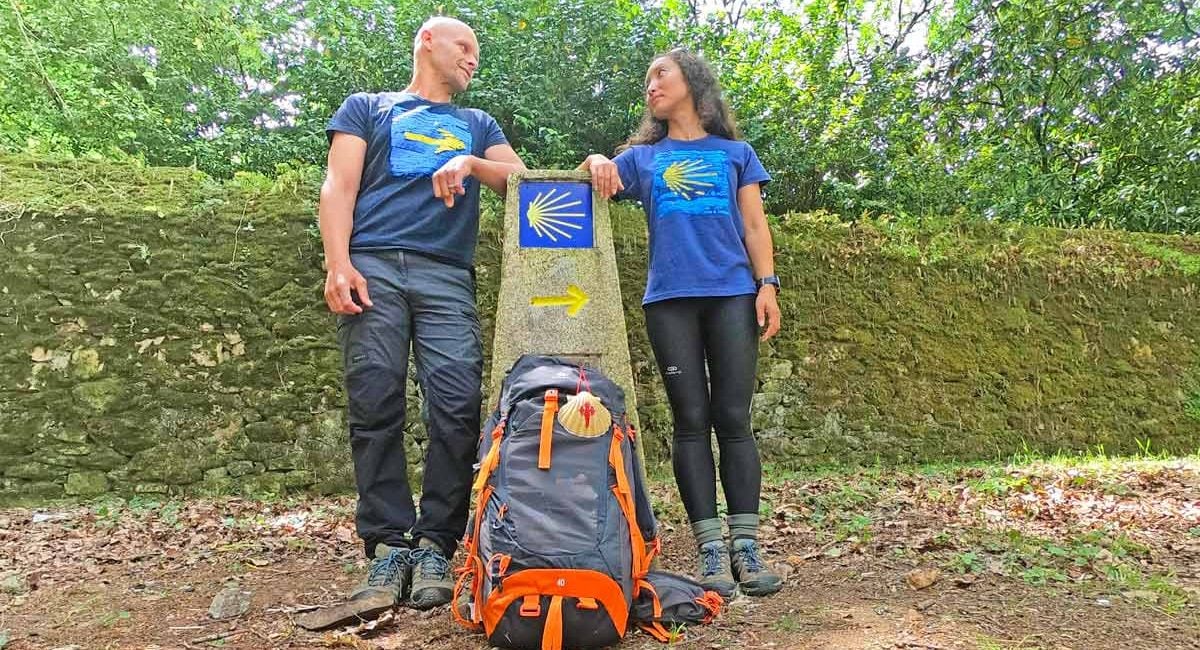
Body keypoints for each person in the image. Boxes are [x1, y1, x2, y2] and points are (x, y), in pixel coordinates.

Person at [313, 16, 525, 626]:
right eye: (465, 46)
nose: (472, 59)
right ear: (427, 41)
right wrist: (338, 264)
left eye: (477, 54)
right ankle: (386, 546)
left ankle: (436, 544)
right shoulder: (367, 108)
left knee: (457, 406)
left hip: (445, 273)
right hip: (373, 265)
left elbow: (522, 181)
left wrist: (470, 162)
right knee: (374, 401)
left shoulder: (478, 124)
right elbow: (338, 186)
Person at [580, 49, 783, 597]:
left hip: (734, 295)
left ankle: (746, 544)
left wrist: (768, 286)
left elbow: (755, 226)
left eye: (659, 75)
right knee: (690, 418)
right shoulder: (644, 160)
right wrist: (599, 157)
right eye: (646, 80)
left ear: (693, 83)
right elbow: (588, 180)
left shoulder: (736, 153)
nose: (650, 86)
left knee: (734, 417)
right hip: (669, 300)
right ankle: (711, 548)